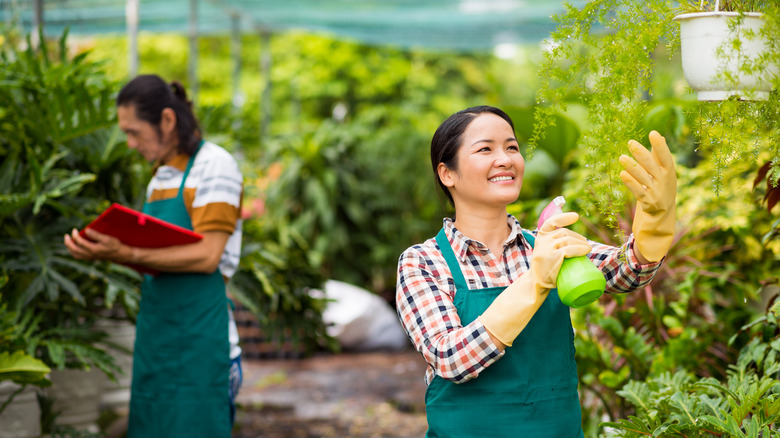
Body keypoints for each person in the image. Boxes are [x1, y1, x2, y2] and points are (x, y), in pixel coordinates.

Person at [395, 106, 676, 437]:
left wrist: (655, 223)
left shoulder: (547, 245)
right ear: (447, 174)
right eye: (485, 149)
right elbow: (451, 359)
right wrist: (534, 282)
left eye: (512, 147)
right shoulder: (424, 262)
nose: (505, 159)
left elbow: (628, 271)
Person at [64, 75, 244, 437]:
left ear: (166, 120)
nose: (129, 144)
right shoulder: (161, 176)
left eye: (134, 132)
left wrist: (125, 251)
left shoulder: (215, 166)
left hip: (201, 344)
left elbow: (208, 256)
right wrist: (107, 249)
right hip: (157, 340)